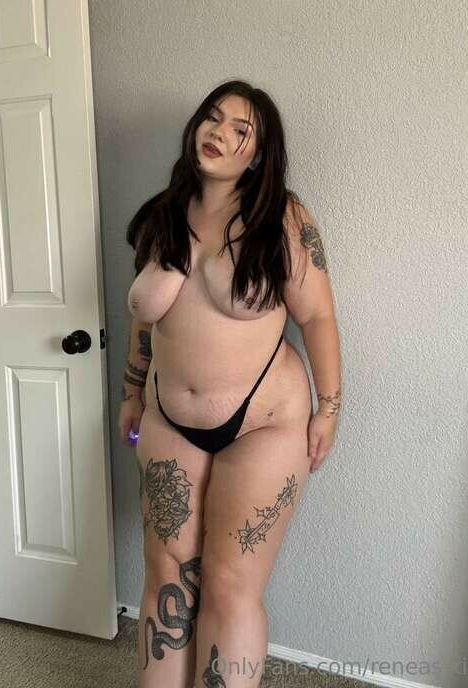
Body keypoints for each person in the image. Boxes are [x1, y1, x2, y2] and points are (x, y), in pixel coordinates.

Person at [119, 80, 342, 688]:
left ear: (259, 152)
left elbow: (318, 316)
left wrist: (330, 408)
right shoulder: (164, 214)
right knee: (165, 573)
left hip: (263, 425)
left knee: (229, 583)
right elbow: (145, 319)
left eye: (241, 130)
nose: (219, 134)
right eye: (212, 119)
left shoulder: (282, 218)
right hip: (167, 417)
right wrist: (132, 392)